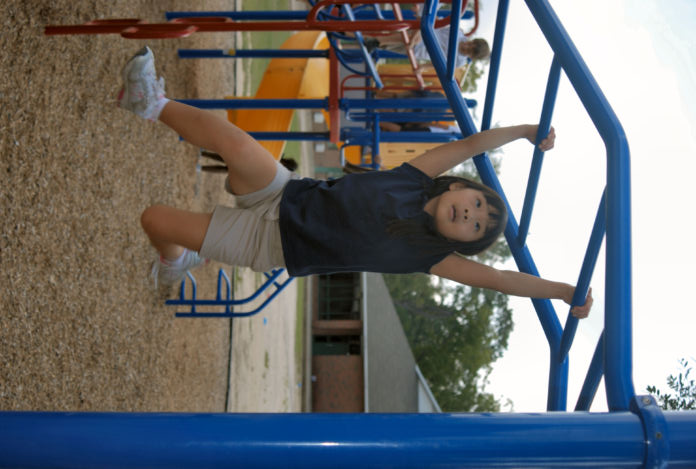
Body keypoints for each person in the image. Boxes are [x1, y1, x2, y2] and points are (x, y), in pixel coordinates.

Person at [118, 47, 592, 319]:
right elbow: (472, 145)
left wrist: (561, 291)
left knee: (154, 219)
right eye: (477, 205)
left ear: (462, 244)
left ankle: (175, 262)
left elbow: (500, 279)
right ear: (456, 188)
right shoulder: (416, 177)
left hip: (271, 243)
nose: (472, 215)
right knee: (239, 145)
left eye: (476, 227)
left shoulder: (429, 256)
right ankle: (149, 103)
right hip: (287, 193)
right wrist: (527, 132)